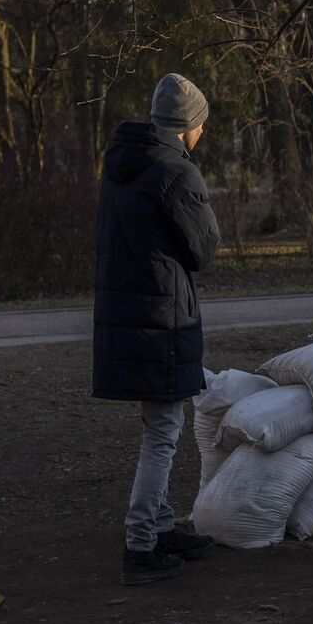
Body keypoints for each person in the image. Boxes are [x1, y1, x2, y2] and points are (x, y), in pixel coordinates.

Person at [93, 73, 222, 586]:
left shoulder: (121, 166)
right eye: (202, 126)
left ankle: (163, 526)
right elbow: (203, 248)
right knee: (164, 433)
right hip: (162, 317)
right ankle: (141, 542)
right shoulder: (176, 171)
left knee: (159, 426)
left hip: (129, 315)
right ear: (189, 126)